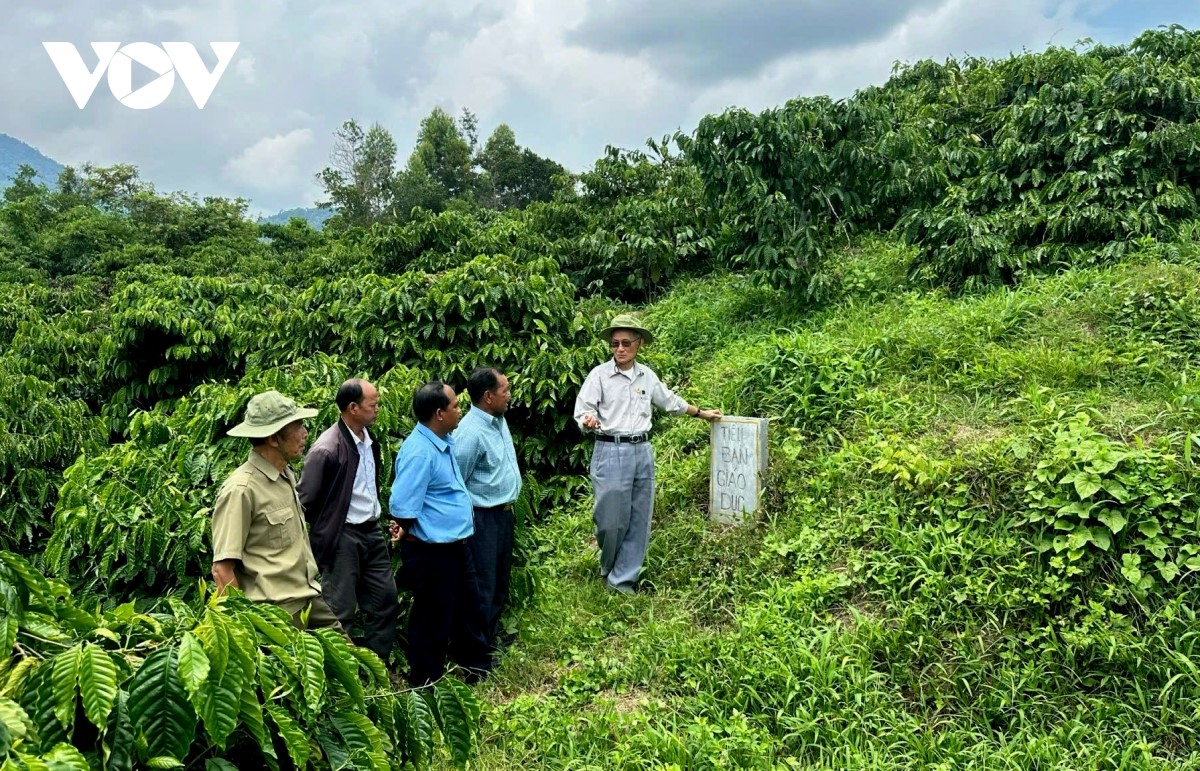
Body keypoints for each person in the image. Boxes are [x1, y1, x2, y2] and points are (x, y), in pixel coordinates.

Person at [573, 314, 722, 594]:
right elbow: (583, 410)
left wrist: (701, 413)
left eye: (626, 343)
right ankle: (608, 566)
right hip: (610, 450)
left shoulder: (647, 376)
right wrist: (587, 420)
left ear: (638, 343)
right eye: (615, 343)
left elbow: (670, 402)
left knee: (639, 518)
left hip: (642, 451)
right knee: (609, 520)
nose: (620, 349)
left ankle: (622, 582)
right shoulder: (599, 376)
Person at [210, 390, 343, 632]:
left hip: (308, 597)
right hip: (275, 613)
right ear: (273, 439)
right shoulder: (241, 490)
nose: (305, 433)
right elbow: (222, 570)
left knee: (351, 655)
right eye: (297, 426)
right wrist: (243, 630)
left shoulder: (285, 473)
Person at [388, 381, 492, 686]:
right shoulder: (420, 452)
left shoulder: (443, 442)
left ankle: (475, 668)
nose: (460, 410)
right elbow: (402, 504)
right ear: (439, 414)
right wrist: (407, 528)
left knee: (468, 608)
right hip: (432, 550)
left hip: (455, 545)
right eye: (455, 406)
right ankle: (425, 681)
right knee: (434, 616)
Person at [296, 379, 399, 661]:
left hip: (371, 531)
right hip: (342, 537)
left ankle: (375, 667)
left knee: (384, 600)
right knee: (339, 609)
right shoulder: (327, 449)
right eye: (373, 405)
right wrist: (327, 529)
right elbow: (305, 499)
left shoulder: (368, 440)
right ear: (353, 408)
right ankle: (340, 674)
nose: (378, 409)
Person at [453, 367, 521, 649]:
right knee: (483, 584)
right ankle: (475, 652)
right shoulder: (470, 432)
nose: (509, 395)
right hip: (482, 519)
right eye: (505, 390)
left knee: (499, 582)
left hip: (503, 516)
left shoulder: (498, 420)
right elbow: (457, 481)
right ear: (488, 397)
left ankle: (489, 642)